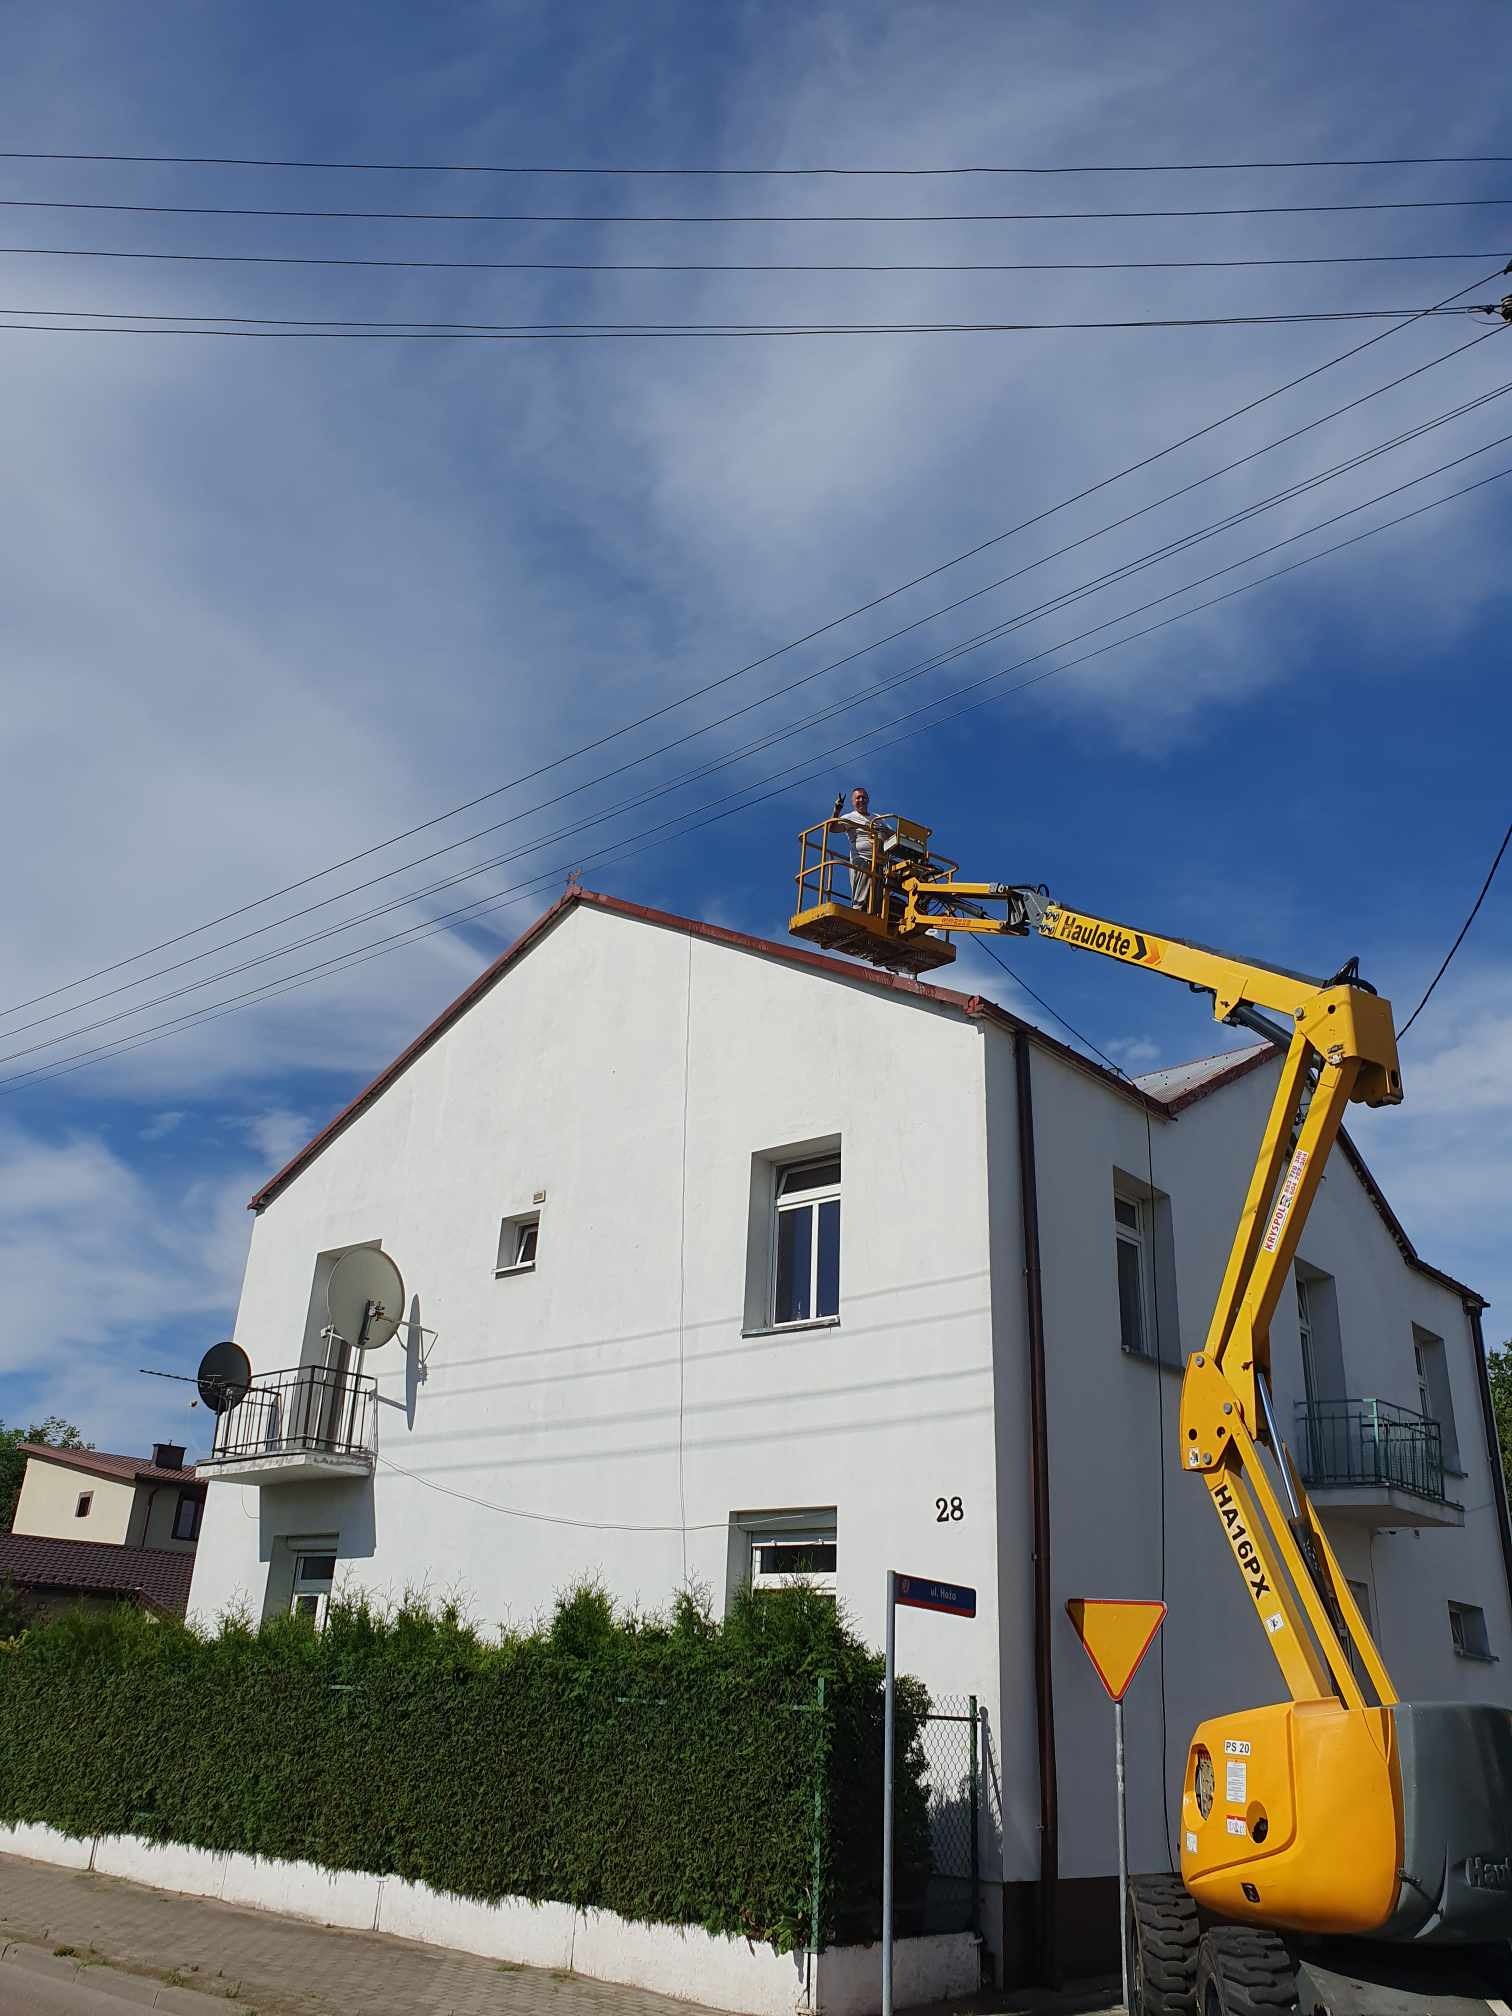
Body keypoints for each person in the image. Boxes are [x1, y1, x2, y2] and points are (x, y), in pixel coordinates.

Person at [831, 785, 882, 912]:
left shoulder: (877, 818)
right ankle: (858, 909)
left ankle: (877, 912)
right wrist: (837, 810)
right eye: (858, 798)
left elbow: (891, 834)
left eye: (863, 797)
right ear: (853, 802)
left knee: (880, 891)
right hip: (862, 860)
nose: (861, 800)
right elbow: (832, 828)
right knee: (863, 887)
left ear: (868, 800)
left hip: (881, 860)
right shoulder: (850, 817)